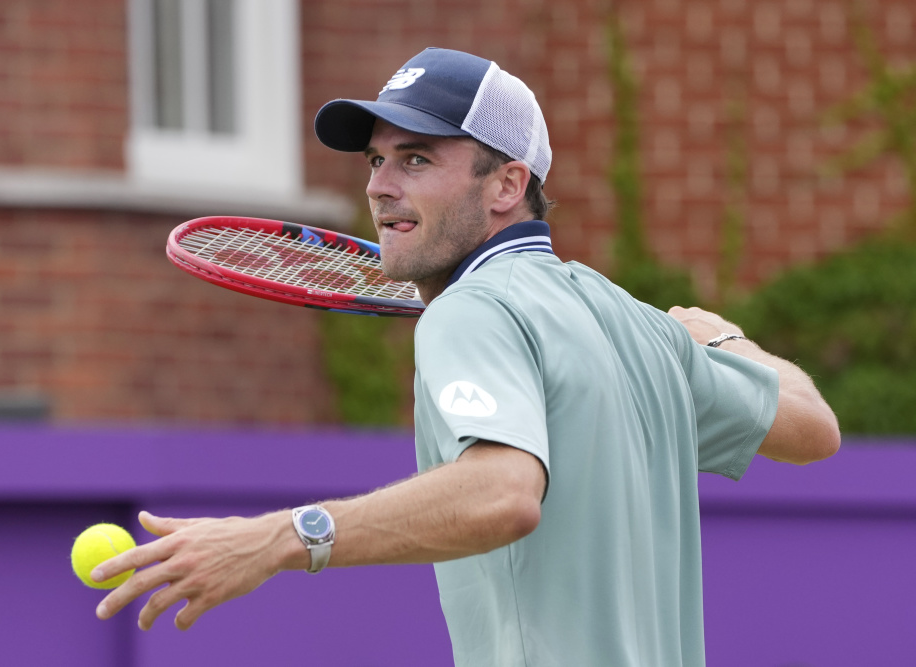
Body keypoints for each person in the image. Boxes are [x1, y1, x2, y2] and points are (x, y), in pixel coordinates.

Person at [93, 48, 840, 666]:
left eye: (416, 159)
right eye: (377, 159)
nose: (380, 186)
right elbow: (812, 426)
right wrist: (723, 336)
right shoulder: (636, 326)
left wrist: (278, 538)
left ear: (508, 184)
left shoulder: (468, 310)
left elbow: (503, 494)